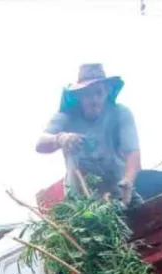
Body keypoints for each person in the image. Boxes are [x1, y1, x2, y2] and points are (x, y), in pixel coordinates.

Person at [36, 64, 141, 205]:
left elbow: (132, 152)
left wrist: (128, 180)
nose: (94, 100)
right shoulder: (66, 117)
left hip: (119, 196)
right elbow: (40, 144)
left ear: (107, 92)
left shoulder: (120, 113)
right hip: (83, 205)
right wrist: (60, 139)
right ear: (78, 96)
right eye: (88, 94)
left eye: (99, 93)